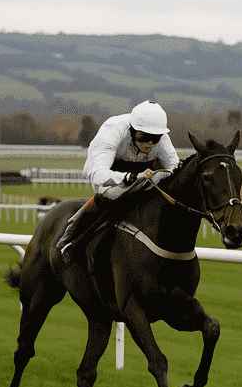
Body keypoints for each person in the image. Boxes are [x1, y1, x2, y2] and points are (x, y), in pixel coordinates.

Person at [56, 100, 180, 264]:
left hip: (143, 169)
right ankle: (70, 238)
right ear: (132, 129)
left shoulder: (161, 139)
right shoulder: (112, 131)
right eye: (144, 137)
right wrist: (131, 177)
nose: (150, 143)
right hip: (108, 170)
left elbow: (176, 168)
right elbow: (98, 174)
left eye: (155, 138)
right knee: (114, 195)